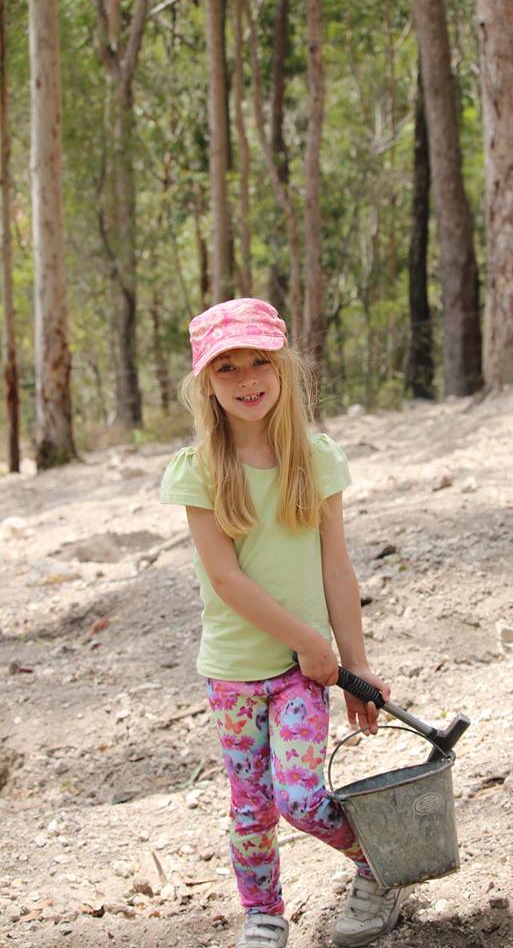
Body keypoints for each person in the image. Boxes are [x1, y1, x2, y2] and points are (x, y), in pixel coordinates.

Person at [160, 298, 413, 948]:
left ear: (284, 366)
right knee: (251, 811)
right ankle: (263, 915)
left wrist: (352, 663)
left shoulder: (315, 459)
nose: (247, 379)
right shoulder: (199, 473)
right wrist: (308, 639)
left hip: (303, 673)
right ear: (204, 385)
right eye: (227, 368)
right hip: (234, 674)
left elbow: (337, 570)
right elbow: (225, 578)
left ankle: (375, 866)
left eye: (259, 362)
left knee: (299, 796)